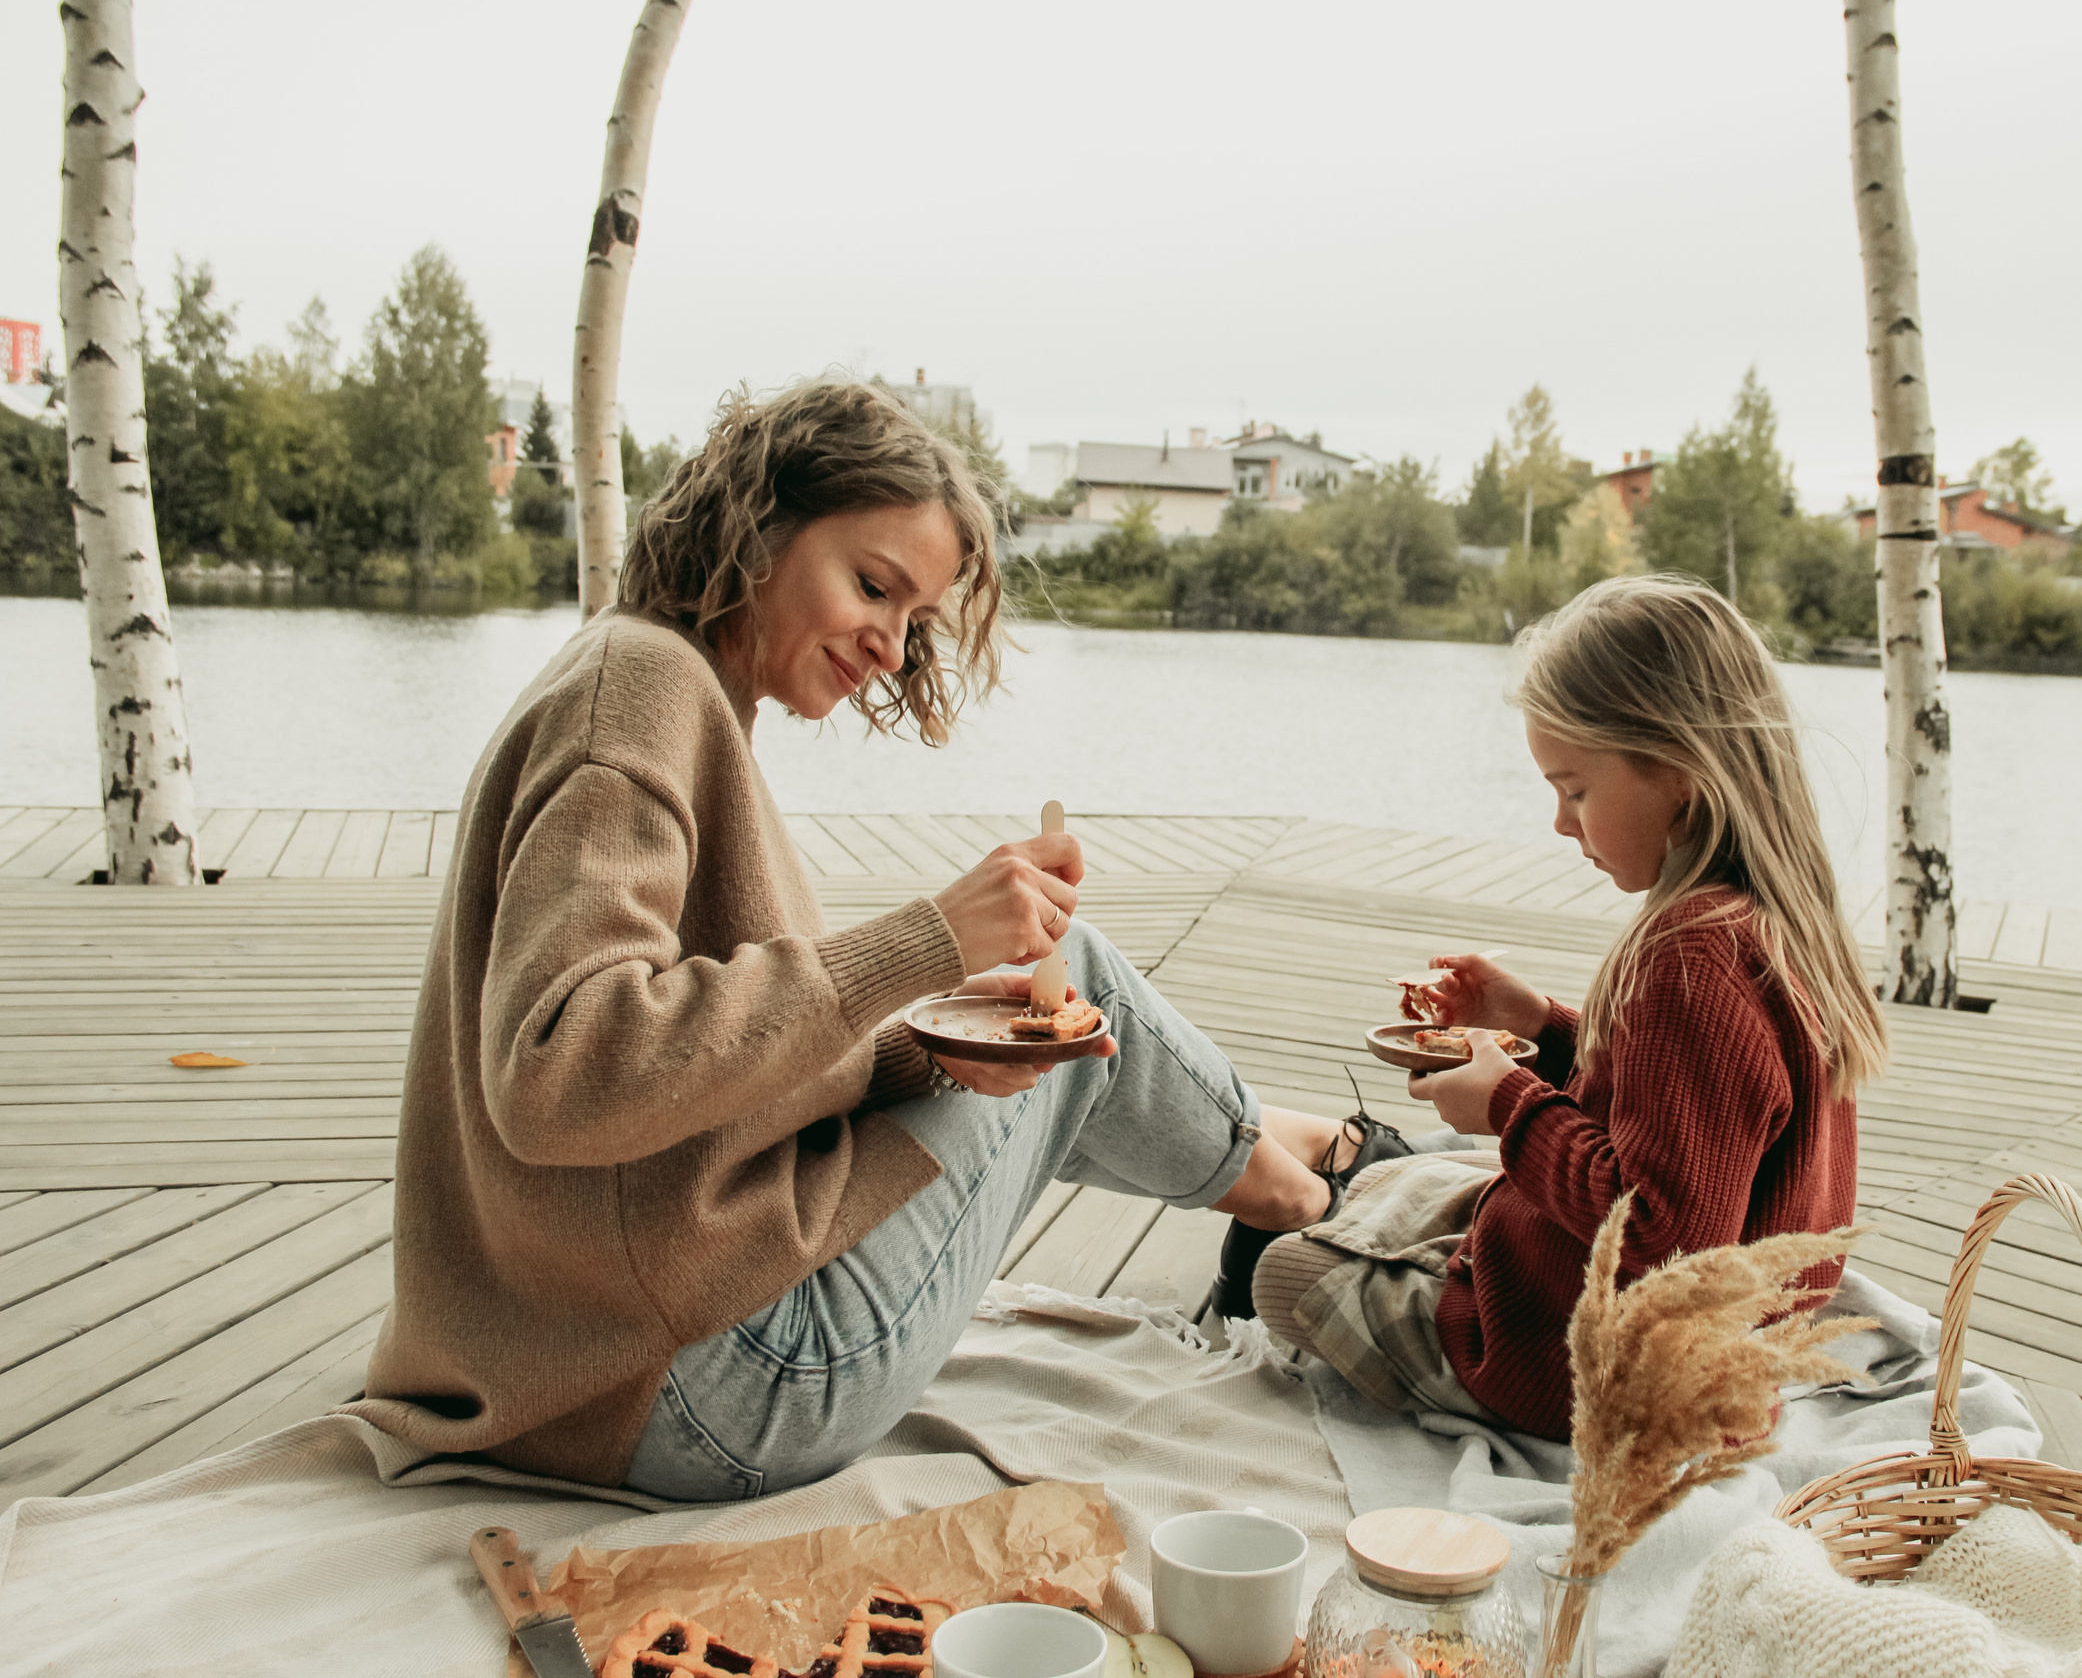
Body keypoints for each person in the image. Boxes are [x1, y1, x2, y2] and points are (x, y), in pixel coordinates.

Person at [350, 380, 1404, 1499]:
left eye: (913, 618)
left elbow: (686, 1082)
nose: (891, 647)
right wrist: (928, 941)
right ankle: (1314, 1216)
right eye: (870, 585)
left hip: (578, 1365)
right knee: (1075, 977)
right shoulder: (644, 693)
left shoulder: (655, 678)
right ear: (756, 526)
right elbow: (565, 1071)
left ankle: (1301, 1181)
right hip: (702, 1386)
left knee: (1024, 1020)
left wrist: (921, 1052)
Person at [1242, 575, 1888, 1441]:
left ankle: (1421, 1296)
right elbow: (1692, 1108)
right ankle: (1389, 1204)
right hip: (1711, 1366)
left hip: (1590, 1378)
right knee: (1409, 1180)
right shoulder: (1767, 921)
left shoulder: (1690, 957)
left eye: (1575, 789)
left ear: (1682, 775)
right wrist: (1544, 1029)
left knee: (1281, 1271)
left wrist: (1506, 1103)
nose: (1558, 821)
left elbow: (1665, 1244)